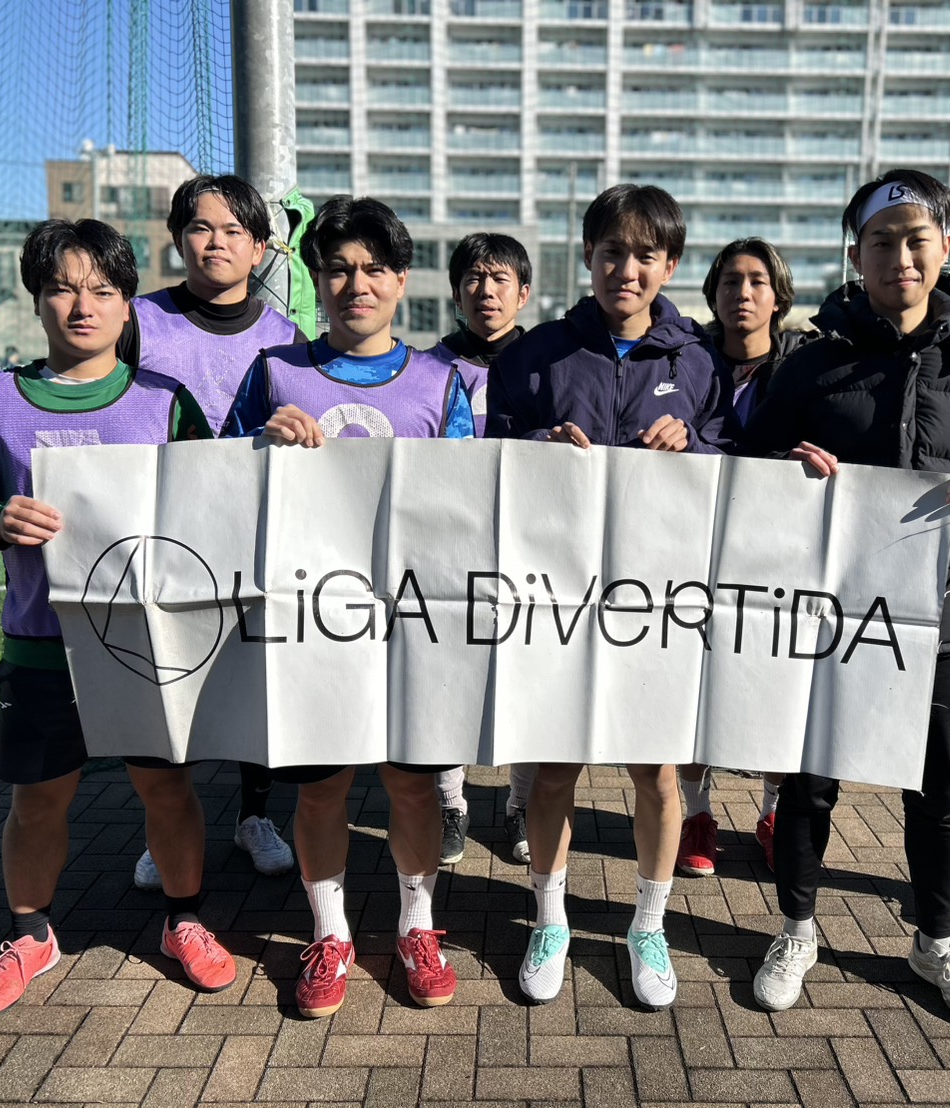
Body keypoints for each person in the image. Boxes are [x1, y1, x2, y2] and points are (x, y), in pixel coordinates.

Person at [739, 169, 950, 1029]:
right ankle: (796, 929)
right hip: (829, 614)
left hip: (942, 613)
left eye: (916, 240)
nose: (899, 257)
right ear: (855, 254)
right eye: (880, 241)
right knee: (809, 783)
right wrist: (789, 472)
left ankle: (934, 941)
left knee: (937, 791)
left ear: (945, 248)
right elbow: (752, 463)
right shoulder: (811, 362)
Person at [0, 219, 235, 1022]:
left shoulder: (163, 402)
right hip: (41, 646)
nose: (81, 305)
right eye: (62, 288)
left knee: (167, 788)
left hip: (143, 643)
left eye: (101, 290)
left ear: (127, 304)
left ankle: (183, 918)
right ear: (36, 299)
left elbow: (211, 505)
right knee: (37, 801)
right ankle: (30, 934)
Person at [487, 183, 734, 1010]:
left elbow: (734, 461)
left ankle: (646, 926)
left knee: (655, 773)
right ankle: (549, 918)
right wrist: (538, 444)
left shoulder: (697, 360)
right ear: (588, 256)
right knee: (553, 769)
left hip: (654, 601)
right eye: (610, 252)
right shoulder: (537, 354)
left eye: (644, 255)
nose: (625, 269)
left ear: (670, 264)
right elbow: (487, 454)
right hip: (558, 599)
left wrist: (692, 444)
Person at [226, 195, 473, 1018]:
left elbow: (468, 507)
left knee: (413, 788)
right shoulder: (274, 375)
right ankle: (329, 935)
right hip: (311, 624)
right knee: (321, 789)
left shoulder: (440, 381)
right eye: (337, 269)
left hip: (411, 625)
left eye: (372, 269)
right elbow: (216, 480)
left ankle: (417, 926)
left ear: (400, 281)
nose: (354, 284)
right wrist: (260, 446)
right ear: (317, 279)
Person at [121, 174, 303, 890]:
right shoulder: (138, 320)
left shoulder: (284, 335)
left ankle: (254, 815)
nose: (216, 242)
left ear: (259, 247)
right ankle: (166, 826)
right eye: (201, 227)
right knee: (169, 675)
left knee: (256, 675)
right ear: (178, 238)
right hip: (162, 530)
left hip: (256, 529)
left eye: (234, 231)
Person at [676, 237, 799, 878]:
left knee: (775, 688)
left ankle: (772, 811)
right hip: (695, 551)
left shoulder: (806, 367)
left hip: (778, 555)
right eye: (729, 281)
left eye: (756, 281)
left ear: (778, 296)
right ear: (712, 293)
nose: (742, 293)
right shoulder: (686, 363)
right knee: (694, 686)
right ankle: (697, 812)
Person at [428, 231, 536, 866]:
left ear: (523, 293)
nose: (485, 290)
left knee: (525, 676)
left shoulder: (548, 361)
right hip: (450, 545)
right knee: (447, 678)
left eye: (499, 279)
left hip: (527, 545)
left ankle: (521, 803)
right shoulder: (428, 367)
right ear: (456, 291)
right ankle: (450, 802)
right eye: (473, 278)